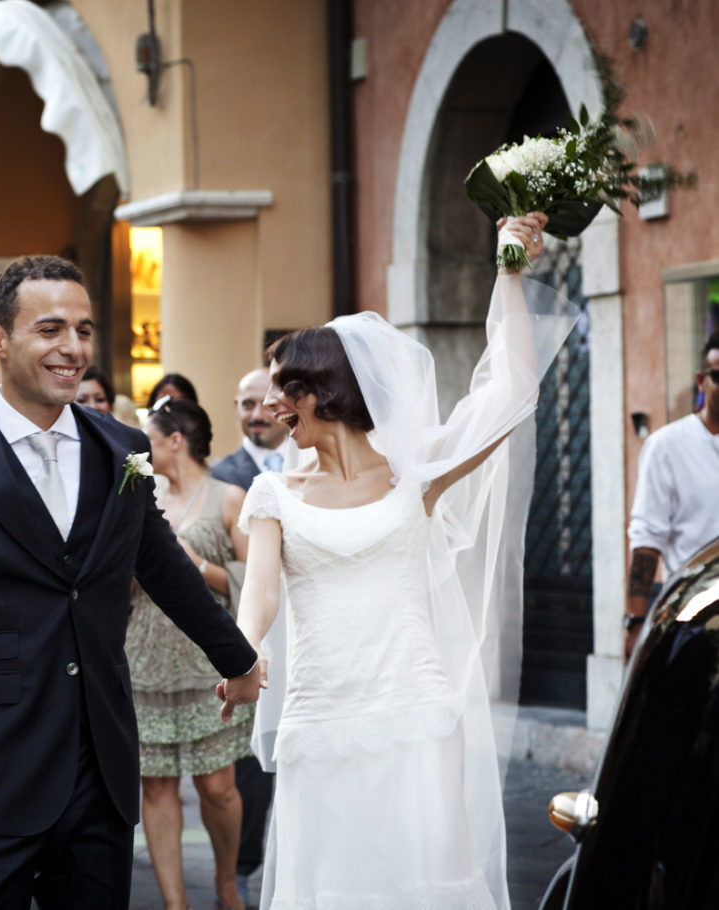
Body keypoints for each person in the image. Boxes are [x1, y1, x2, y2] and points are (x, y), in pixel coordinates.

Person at [0, 255, 260, 909]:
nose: (72, 348)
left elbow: (161, 566)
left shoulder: (122, 447)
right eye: (50, 329)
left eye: (84, 330)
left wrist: (238, 659)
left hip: (101, 768)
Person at [233, 215, 569, 909]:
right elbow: (259, 589)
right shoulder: (272, 492)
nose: (269, 405)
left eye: (281, 389)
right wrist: (242, 651)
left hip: (411, 709)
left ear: (324, 392)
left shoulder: (416, 478)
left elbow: (510, 392)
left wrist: (507, 270)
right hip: (321, 714)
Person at [127, 397, 252, 910]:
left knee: (218, 786)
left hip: (206, 664)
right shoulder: (139, 494)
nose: (140, 448)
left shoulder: (229, 497)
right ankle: (175, 904)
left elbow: (256, 580)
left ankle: (226, 885)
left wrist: (197, 566)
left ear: (174, 441)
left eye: (148, 439)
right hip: (143, 658)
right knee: (155, 788)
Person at [210, 366, 293, 906]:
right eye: (244, 404)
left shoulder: (321, 465)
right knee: (250, 761)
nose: (255, 414)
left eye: (263, 402)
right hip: (253, 635)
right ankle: (243, 866)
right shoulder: (224, 474)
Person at [624, 330, 719, 658]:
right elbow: (647, 540)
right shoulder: (666, 446)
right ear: (701, 380)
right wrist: (635, 623)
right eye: (718, 376)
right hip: (694, 619)